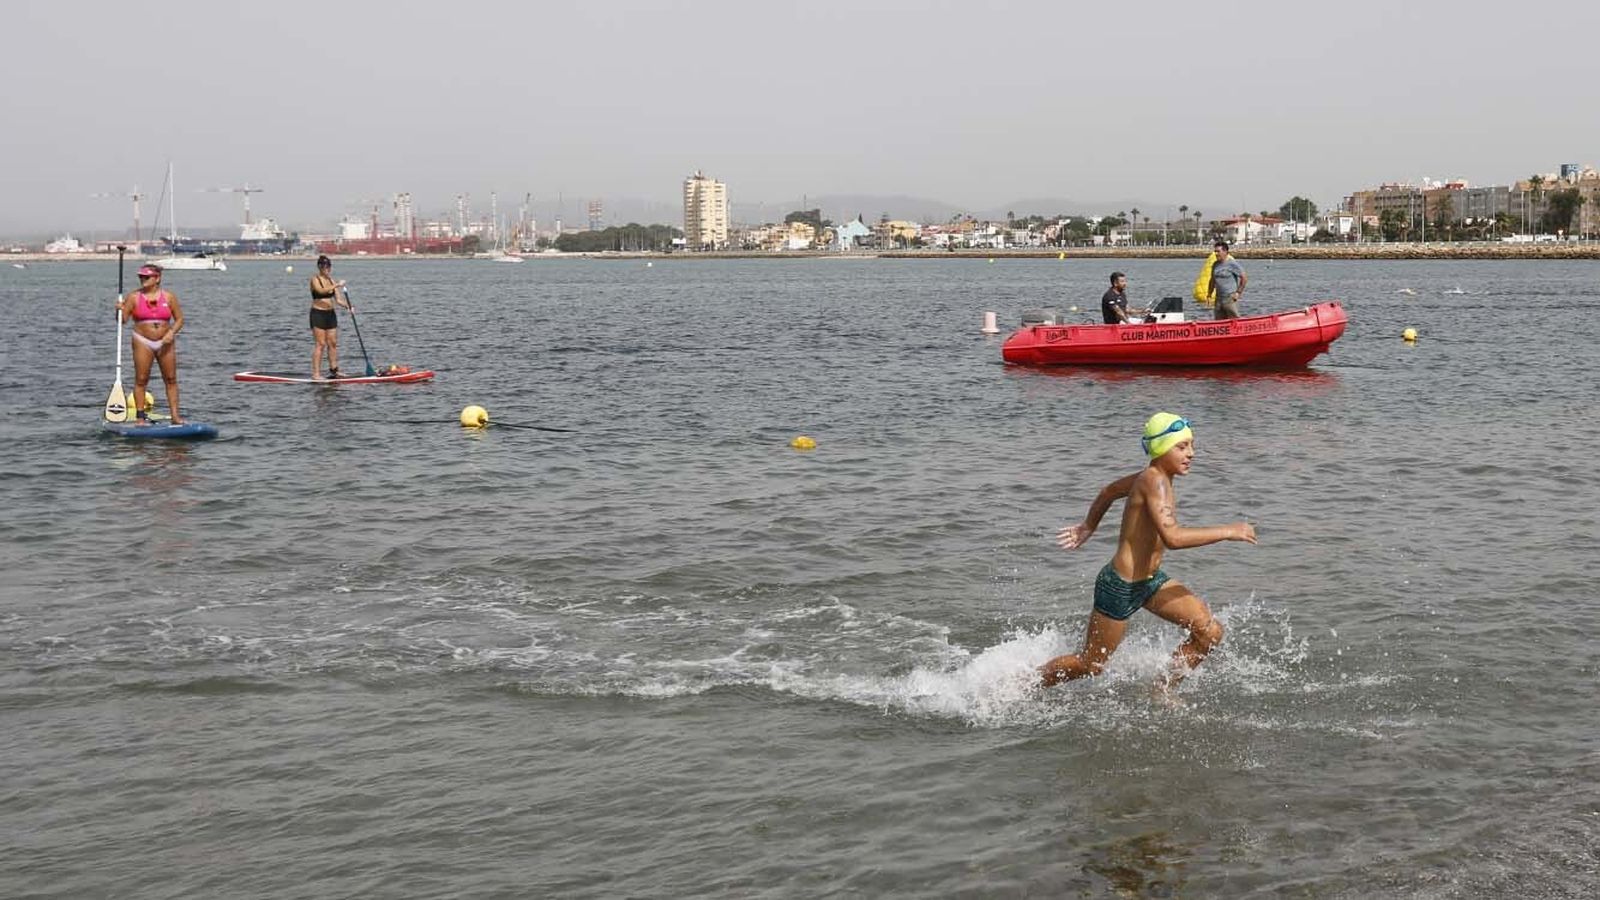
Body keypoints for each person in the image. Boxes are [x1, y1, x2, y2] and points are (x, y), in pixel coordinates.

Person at [1038, 413, 1256, 703]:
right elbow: (1173, 538)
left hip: (1150, 582)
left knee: (1209, 632)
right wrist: (1230, 530)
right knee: (1091, 665)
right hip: (1120, 586)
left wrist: (1089, 525)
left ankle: (1162, 690)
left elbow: (1109, 491)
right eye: (1182, 447)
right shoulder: (1155, 482)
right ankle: (1024, 683)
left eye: (1191, 445)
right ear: (1160, 448)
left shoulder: (1153, 477)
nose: (1191, 453)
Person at [115, 263, 186, 424]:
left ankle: (175, 416)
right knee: (141, 379)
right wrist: (119, 310)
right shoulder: (133, 297)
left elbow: (180, 319)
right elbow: (123, 321)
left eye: (146, 277)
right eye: (141, 277)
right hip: (142, 341)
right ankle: (140, 418)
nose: (143, 279)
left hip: (165, 341)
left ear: (157, 278)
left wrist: (171, 332)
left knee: (171, 378)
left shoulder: (169, 297)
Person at [309, 255, 352, 380]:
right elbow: (321, 291)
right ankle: (316, 374)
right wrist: (337, 285)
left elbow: (338, 300)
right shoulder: (315, 279)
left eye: (328, 266)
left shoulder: (332, 281)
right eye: (323, 266)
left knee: (332, 343)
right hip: (318, 313)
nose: (326, 269)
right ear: (319, 267)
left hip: (330, 314)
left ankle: (334, 371)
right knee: (320, 344)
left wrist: (348, 306)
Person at [1208, 241, 1247, 319]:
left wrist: (1238, 293)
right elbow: (1212, 280)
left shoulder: (1232, 264)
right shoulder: (1215, 265)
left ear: (1225, 251)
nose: (1216, 254)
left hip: (1230, 298)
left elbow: (1244, 278)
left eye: (1218, 251)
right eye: (1215, 251)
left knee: (1234, 319)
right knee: (1219, 322)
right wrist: (1209, 294)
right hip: (1218, 298)